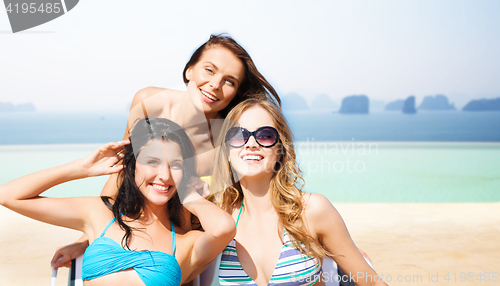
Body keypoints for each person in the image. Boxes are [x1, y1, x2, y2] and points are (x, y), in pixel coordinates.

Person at [51, 33, 280, 269]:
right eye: (209, 70)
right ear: (189, 70)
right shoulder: (149, 102)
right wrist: (86, 239)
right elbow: (122, 172)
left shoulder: (228, 137)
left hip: (189, 240)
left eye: (229, 81)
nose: (215, 84)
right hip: (135, 226)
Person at [0, 118, 236, 285]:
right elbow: (8, 195)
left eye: (175, 165)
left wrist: (189, 193)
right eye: (152, 162)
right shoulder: (100, 213)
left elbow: (224, 228)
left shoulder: (185, 242)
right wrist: (82, 168)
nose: (164, 175)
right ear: (132, 167)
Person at [211, 97, 388, 286]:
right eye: (238, 135)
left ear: (280, 150)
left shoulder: (311, 211)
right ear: (227, 151)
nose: (251, 143)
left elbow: (371, 283)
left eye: (265, 135)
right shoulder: (219, 219)